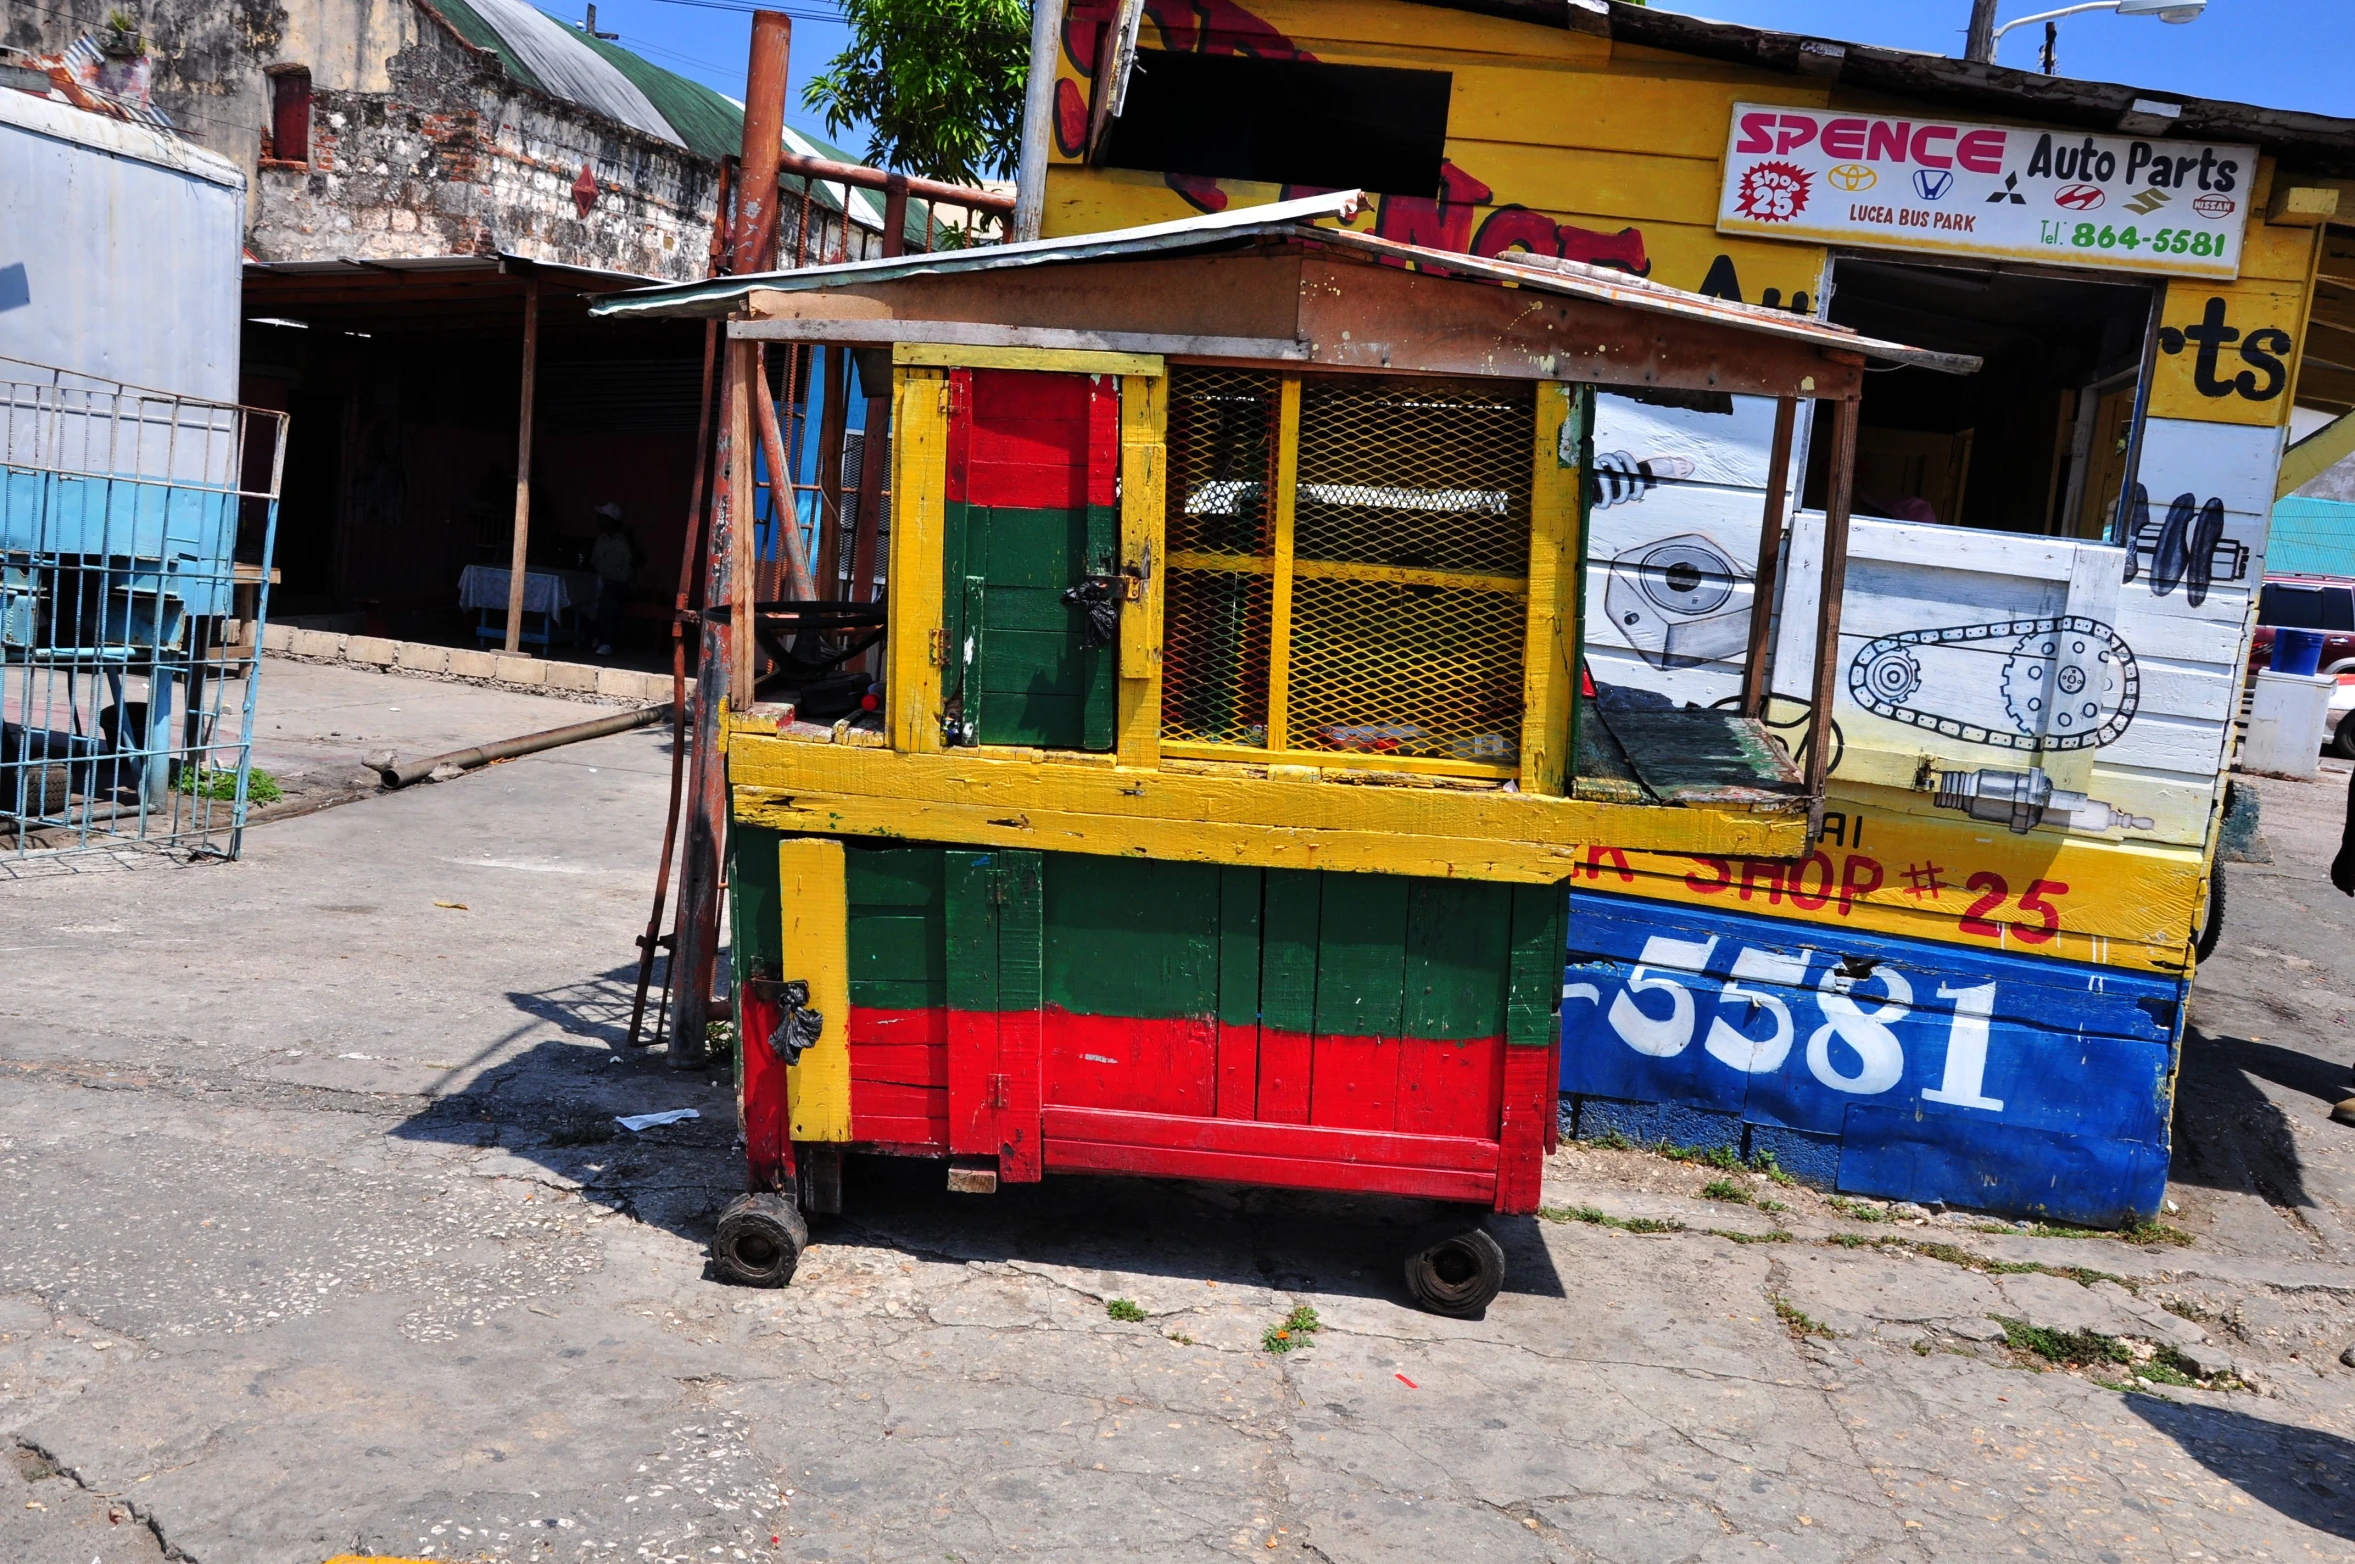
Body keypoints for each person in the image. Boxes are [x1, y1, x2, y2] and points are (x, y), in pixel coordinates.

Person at [588, 502, 640, 657]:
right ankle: (593, 636)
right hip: (602, 582)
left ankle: (606, 642)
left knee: (610, 596)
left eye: (601, 518)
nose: (598, 521)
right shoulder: (601, 539)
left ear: (611, 521)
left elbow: (639, 561)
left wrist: (630, 541)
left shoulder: (624, 541)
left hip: (623, 585)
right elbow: (593, 562)